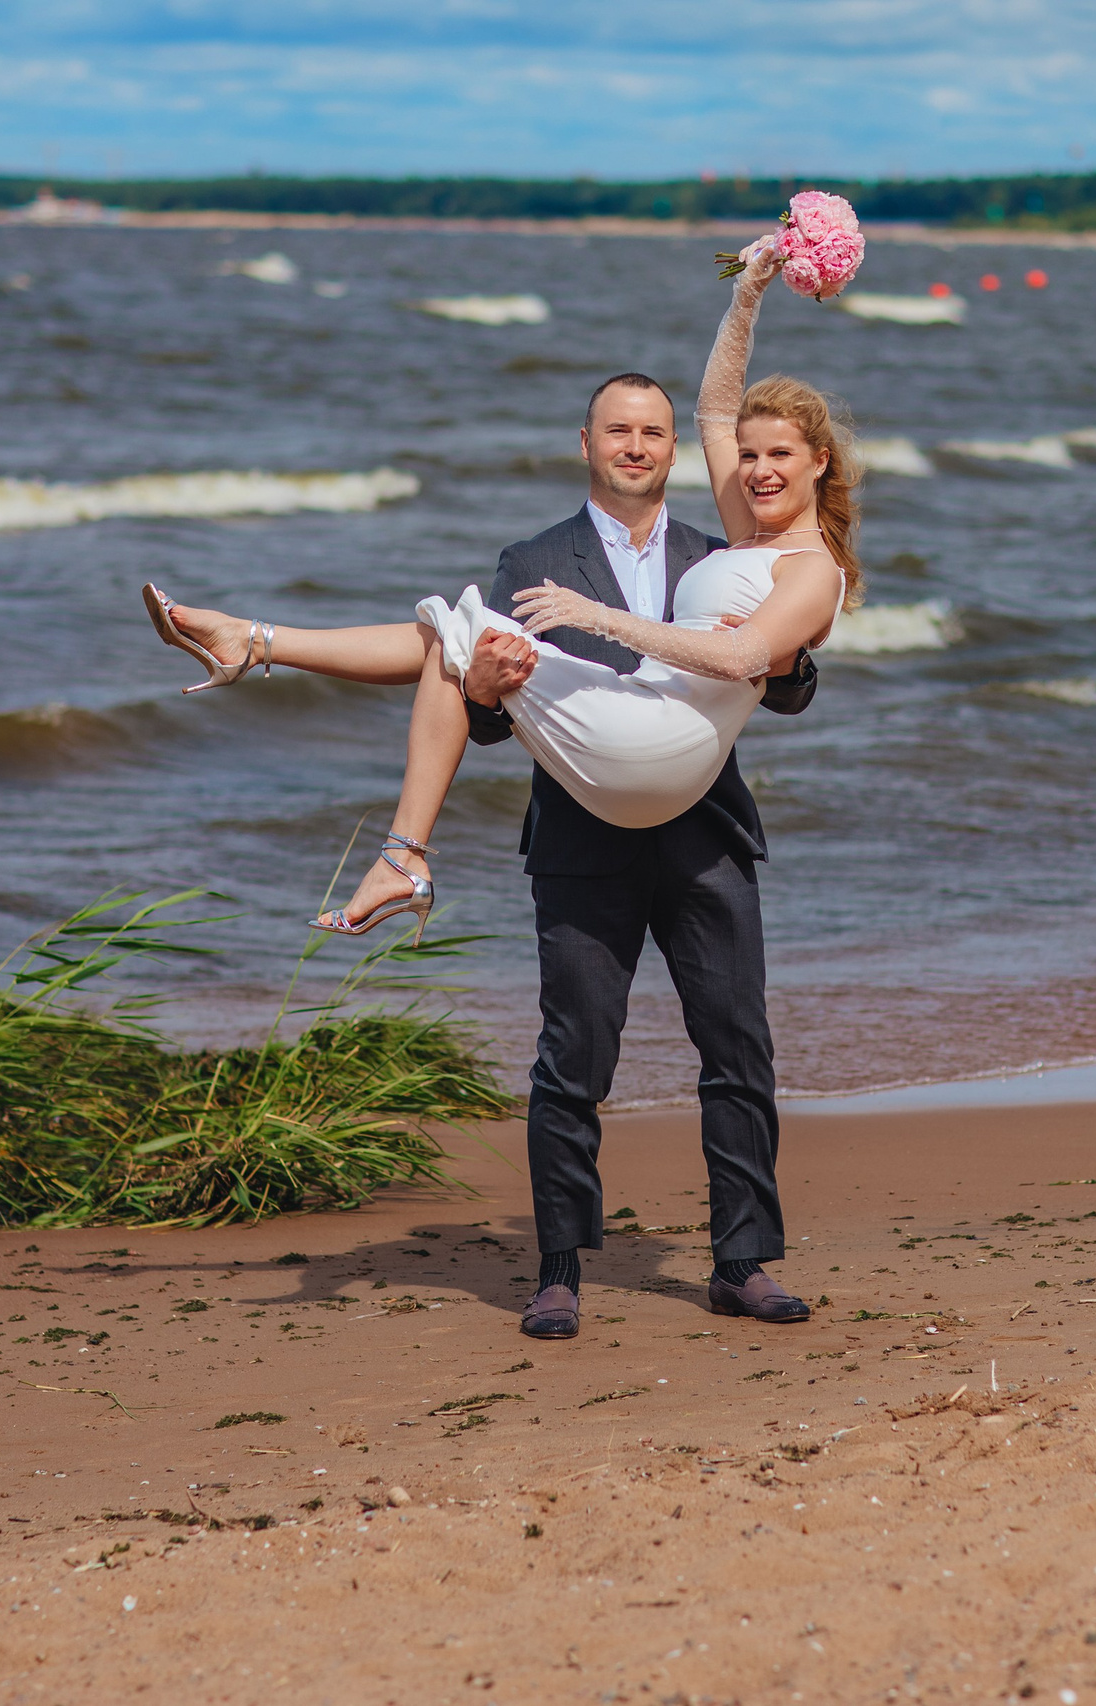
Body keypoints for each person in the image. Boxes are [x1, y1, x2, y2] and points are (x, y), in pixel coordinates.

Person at [146, 247, 852, 1337]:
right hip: (581, 829)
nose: (637, 445)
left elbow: (781, 672)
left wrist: (778, 659)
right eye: (617, 430)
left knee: (737, 1045)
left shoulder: (732, 537)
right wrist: (484, 682)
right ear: (587, 445)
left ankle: (744, 1259)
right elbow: (485, 710)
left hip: (700, 825)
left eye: (652, 431)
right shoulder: (535, 552)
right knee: (572, 1056)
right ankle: (560, 1265)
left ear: (674, 449)